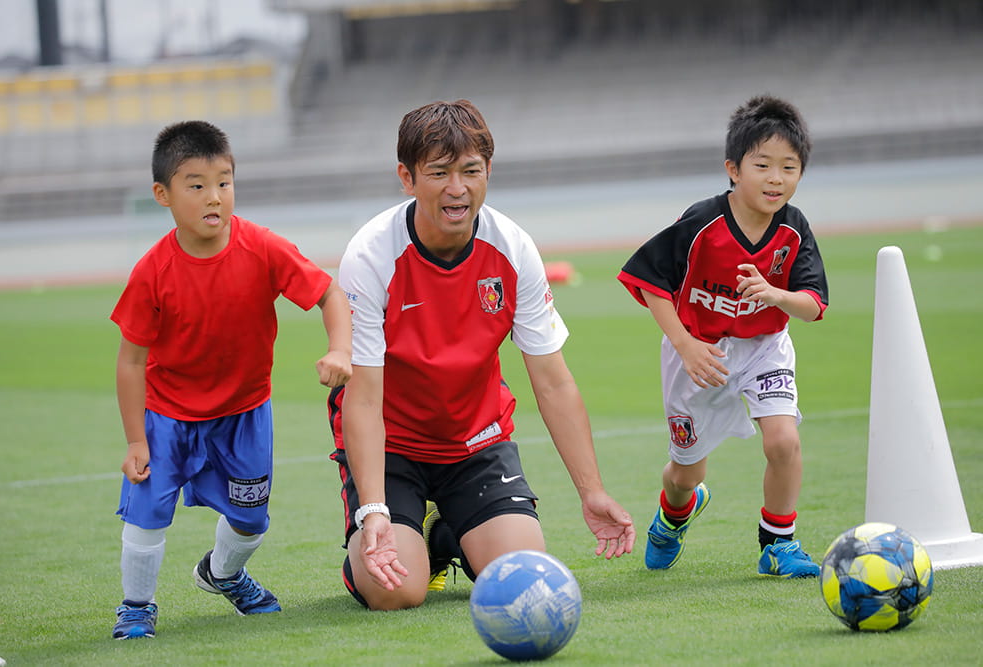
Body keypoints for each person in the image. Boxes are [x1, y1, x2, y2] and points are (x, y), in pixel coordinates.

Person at [328, 99, 635, 610]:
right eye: (439, 173)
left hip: (475, 437)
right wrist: (374, 511)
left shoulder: (513, 248)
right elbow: (359, 400)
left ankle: (443, 536)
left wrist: (592, 490)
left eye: (471, 171)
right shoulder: (371, 256)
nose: (458, 188)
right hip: (393, 442)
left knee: (523, 577)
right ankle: (377, 546)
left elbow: (553, 381)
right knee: (396, 592)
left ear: (488, 171)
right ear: (407, 177)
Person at [110, 120, 352, 639]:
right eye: (195, 185)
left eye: (224, 181)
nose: (213, 196)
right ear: (163, 195)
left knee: (251, 520)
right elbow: (130, 361)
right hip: (166, 416)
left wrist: (339, 348)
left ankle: (222, 574)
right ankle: (136, 607)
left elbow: (330, 294)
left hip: (245, 414)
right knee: (147, 513)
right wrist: (135, 439)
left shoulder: (262, 248)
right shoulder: (152, 271)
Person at [617, 95, 829, 578]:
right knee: (686, 472)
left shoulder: (794, 230)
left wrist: (777, 295)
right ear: (733, 169)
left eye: (789, 168)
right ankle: (675, 514)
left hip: (764, 348)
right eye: (763, 165)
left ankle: (778, 544)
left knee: (783, 442)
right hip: (699, 351)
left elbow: (815, 304)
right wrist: (685, 345)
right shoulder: (701, 223)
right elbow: (648, 281)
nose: (776, 179)